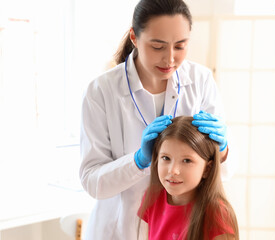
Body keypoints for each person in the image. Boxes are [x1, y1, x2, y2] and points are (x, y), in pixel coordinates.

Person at [79, 0, 234, 239]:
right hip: (119, 229)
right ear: (134, 37)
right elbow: (92, 182)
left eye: (180, 46)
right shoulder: (101, 90)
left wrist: (222, 151)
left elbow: (220, 171)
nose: (170, 59)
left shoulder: (200, 81)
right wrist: (138, 161)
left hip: (183, 228)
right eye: (157, 47)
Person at [138, 116, 239, 240]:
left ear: (207, 169)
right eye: (166, 158)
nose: (173, 170)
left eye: (186, 160)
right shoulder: (153, 198)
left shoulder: (218, 214)